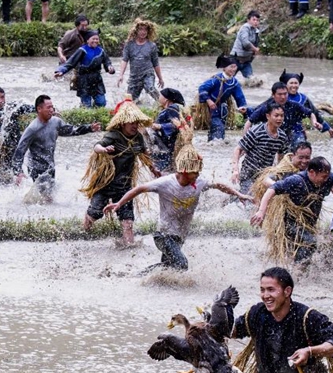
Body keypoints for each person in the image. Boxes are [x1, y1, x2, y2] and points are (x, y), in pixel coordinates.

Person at [105, 139, 250, 270]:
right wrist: (119, 204)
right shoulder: (165, 183)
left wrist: (239, 194)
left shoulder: (199, 182)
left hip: (180, 235)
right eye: (195, 172)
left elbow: (219, 185)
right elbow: (139, 189)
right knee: (182, 264)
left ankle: (141, 277)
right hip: (163, 235)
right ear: (183, 172)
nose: (198, 175)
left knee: (167, 268)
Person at [82, 100, 159, 245]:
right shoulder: (114, 135)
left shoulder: (138, 138)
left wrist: (154, 169)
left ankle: (129, 247)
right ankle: (81, 234)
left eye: (136, 123)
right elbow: (97, 146)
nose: (135, 126)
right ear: (123, 123)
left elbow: (145, 154)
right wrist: (104, 150)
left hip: (124, 185)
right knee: (94, 214)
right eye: (131, 123)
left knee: (127, 220)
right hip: (105, 184)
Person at [13, 95, 101, 201]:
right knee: (46, 197)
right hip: (36, 167)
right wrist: (18, 171)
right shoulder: (32, 129)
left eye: (52, 107)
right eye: (48, 107)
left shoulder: (56, 122)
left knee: (48, 197)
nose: (51, 110)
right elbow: (20, 149)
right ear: (39, 109)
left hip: (50, 165)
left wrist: (89, 128)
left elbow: (71, 130)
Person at [246, 82, 331, 148]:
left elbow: (310, 113)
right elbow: (249, 122)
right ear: (273, 95)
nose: (283, 97)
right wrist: (246, 141)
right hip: (271, 136)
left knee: (301, 147)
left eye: (285, 94)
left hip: (291, 134)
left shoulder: (294, 105)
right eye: (280, 94)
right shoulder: (266, 108)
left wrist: (314, 122)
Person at [232, 102, 288, 193]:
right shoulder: (256, 132)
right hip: (248, 174)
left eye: (282, 116)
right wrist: (235, 170)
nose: (279, 119)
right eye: (276, 115)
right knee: (248, 200)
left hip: (265, 175)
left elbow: (281, 158)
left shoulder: (282, 137)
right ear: (268, 116)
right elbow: (238, 149)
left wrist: (278, 173)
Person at [54, 29, 114, 108]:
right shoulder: (82, 50)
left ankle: (97, 115)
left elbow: (107, 61)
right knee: (86, 104)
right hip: (84, 80)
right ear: (88, 40)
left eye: (97, 39)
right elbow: (70, 62)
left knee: (101, 102)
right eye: (93, 39)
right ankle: (86, 114)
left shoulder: (101, 51)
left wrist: (110, 67)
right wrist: (61, 71)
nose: (95, 41)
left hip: (97, 79)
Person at [198, 56, 248, 141]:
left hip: (223, 109)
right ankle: (216, 144)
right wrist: (209, 101)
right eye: (231, 67)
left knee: (220, 127)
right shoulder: (216, 79)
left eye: (235, 66)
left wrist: (242, 107)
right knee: (218, 126)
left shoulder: (234, 82)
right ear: (224, 68)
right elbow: (202, 88)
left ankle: (211, 143)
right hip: (211, 108)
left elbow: (239, 96)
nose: (233, 69)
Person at [117, 19, 164, 104]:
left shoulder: (152, 45)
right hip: (134, 76)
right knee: (130, 101)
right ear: (136, 30)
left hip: (147, 74)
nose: (143, 32)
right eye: (141, 29)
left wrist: (160, 78)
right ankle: (139, 107)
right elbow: (124, 60)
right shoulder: (129, 44)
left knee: (150, 88)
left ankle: (163, 104)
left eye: (145, 29)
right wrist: (121, 75)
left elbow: (155, 63)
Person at [151, 88, 187, 173]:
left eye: (160, 95)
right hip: (165, 143)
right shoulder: (170, 109)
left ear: (166, 99)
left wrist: (160, 126)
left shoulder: (172, 108)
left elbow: (176, 125)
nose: (158, 97)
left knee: (163, 168)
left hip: (167, 145)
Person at [230, 10, 261, 79]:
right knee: (227, 80)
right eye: (254, 20)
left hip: (246, 61)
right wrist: (255, 49)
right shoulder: (245, 28)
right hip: (235, 60)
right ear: (248, 20)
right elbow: (246, 43)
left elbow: (256, 44)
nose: (256, 22)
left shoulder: (256, 31)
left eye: (257, 20)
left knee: (252, 82)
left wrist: (255, 51)